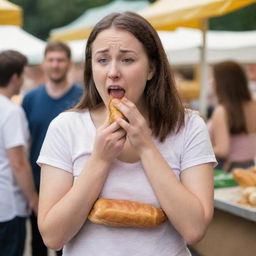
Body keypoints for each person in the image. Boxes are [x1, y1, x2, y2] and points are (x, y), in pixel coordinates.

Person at [37, 12, 216, 256]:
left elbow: (194, 229)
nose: (112, 72)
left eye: (127, 60)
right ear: (91, 67)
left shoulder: (189, 126)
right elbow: (53, 237)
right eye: (102, 60)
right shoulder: (66, 127)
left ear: (152, 68)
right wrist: (99, 160)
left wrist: (146, 148)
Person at [22, 41, 83, 256]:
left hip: (74, 186)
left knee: (67, 245)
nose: (55, 65)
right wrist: (29, 192)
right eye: (51, 60)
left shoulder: (83, 98)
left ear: (68, 64)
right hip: (38, 186)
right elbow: (24, 145)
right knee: (37, 245)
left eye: (60, 60)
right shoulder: (30, 99)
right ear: (44, 64)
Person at [0, 50, 38, 256]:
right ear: (15, 77)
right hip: (9, 206)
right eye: (22, 75)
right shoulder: (11, 111)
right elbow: (18, 163)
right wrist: (33, 199)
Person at [207, 61, 256, 172]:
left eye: (213, 78)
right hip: (250, 167)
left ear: (223, 82)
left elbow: (223, 150)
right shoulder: (253, 104)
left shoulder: (222, 111)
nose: (211, 82)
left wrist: (199, 150)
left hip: (228, 170)